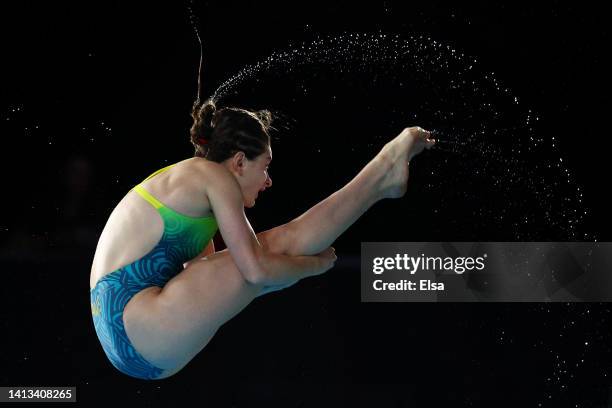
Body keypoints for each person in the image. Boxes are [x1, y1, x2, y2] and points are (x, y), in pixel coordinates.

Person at [89, 97, 435, 380]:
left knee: (262, 261)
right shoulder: (212, 176)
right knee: (272, 250)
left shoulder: (189, 183)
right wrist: (313, 265)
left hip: (128, 336)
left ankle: (383, 178)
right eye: (265, 166)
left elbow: (210, 275)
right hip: (138, 326)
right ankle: (383, 170)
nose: (268, 181)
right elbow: (255, 270)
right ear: (239, 161)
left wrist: (287, 270)